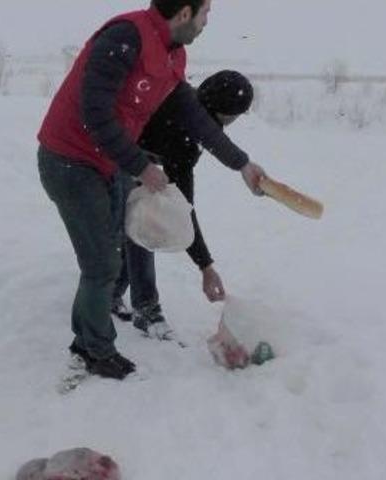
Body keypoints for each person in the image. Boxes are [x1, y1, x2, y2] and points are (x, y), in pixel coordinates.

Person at [37, 0, 267, 380]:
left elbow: (197, 118)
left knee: (110, 255)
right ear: (184, 14)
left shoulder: (172, 55)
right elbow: (95, 115)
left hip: (108, 162)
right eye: (205, 13)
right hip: (70, 160)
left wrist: (241, 164)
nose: (207, 22)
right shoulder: (125, 38)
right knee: (102, 263)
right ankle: (96, 351)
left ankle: (89, 339)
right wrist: (142, 167)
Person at [112, 70, 255, 340]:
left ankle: (111, 291)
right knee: (145, 223)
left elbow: (182, 207)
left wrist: (205, 265)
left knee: (134, 224)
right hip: (112, 150)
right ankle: (146, 310)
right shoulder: (182, 135)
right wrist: (205, 266)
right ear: (224, 114)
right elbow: (184, 211)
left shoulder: (188, 105)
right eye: (235, 116)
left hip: (126, 149)